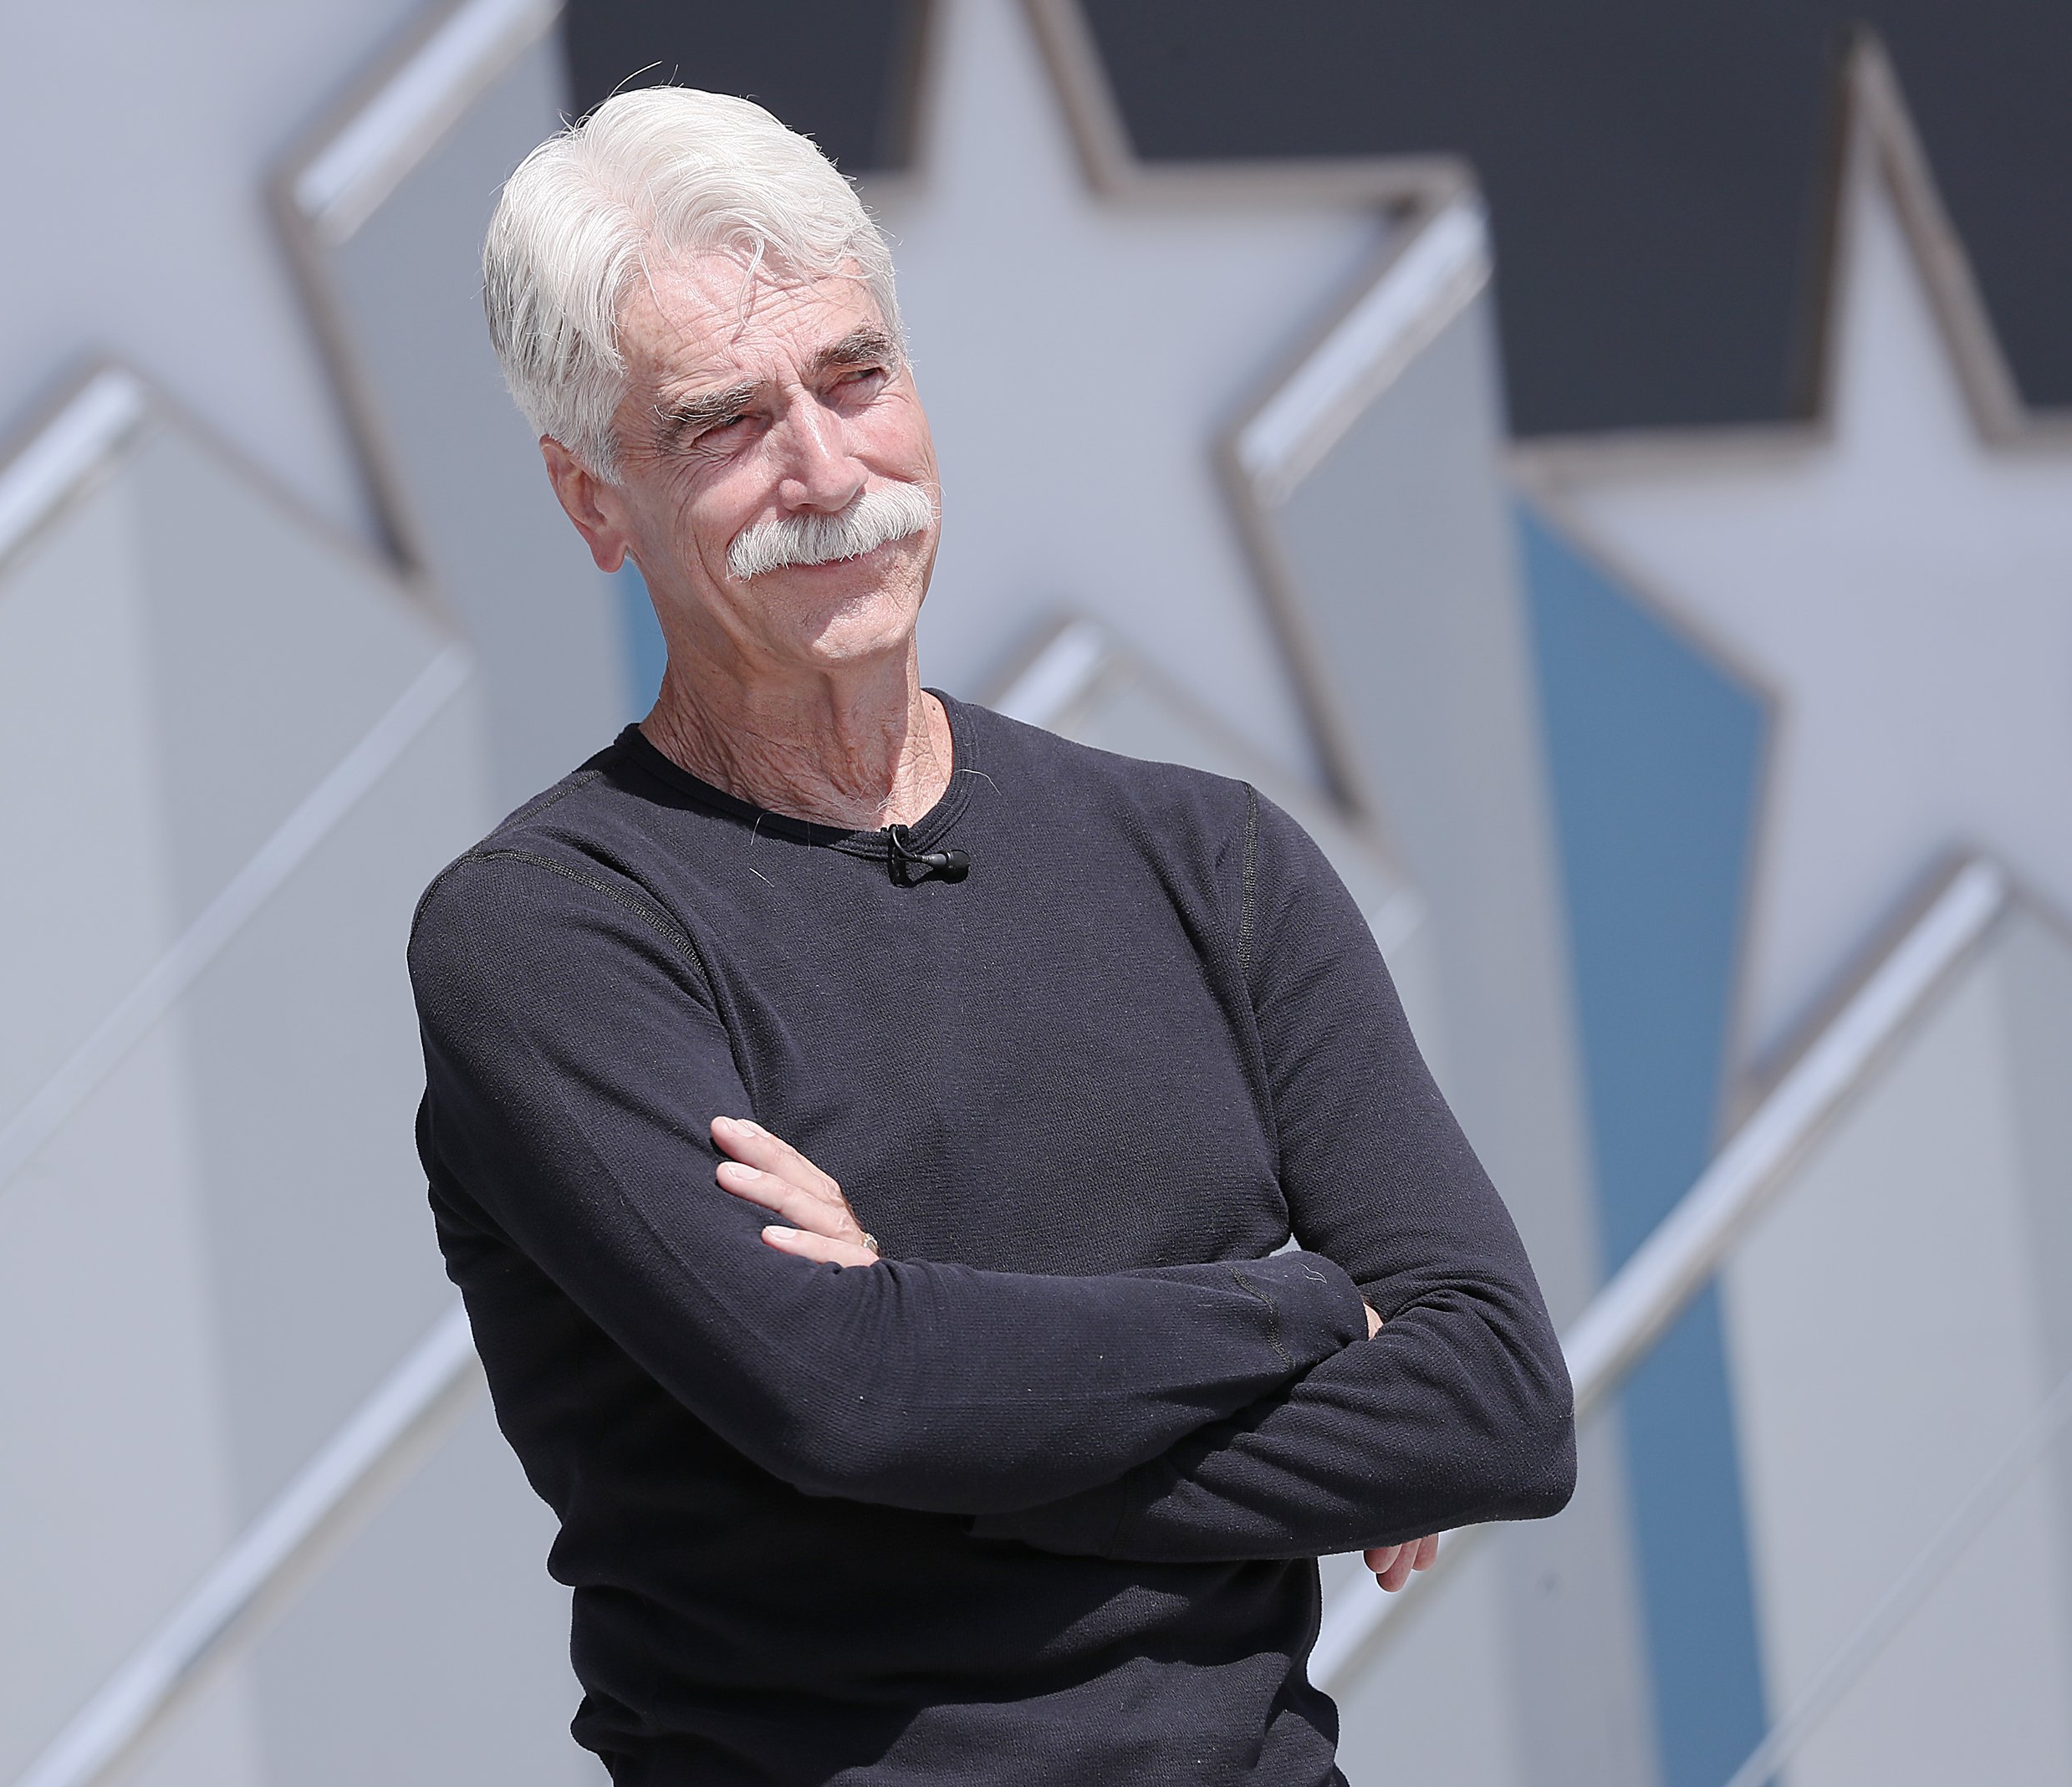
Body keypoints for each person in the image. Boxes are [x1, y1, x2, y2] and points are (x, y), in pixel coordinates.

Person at [406, 85, 1574, 1785]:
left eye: (856, 375)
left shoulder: (1214, 862)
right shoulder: (553, 934)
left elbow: (1495, 1404)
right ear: (595, 503)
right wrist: (1305, 1314)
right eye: (727, 424)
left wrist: (922, 1369)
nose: (826, 468)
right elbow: (843, 1402)